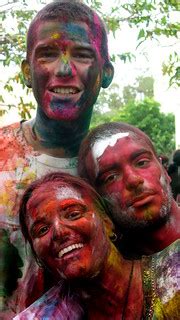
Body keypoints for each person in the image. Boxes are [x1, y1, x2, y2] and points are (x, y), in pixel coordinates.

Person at [0, 0, 114, 315]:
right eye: (48, 55)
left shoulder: (118, 170)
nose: (64, 70)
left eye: (82, 54)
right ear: (27, 71)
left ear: (105, 72)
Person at [13, 172, 179, 319]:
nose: (58, 232)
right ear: (38, 256)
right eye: (42, 230)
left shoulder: (174, 272)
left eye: (73, 214)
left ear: (107, 222)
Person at [78, 122, 180, 258]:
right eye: (111, 177)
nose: (133, 180)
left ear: (164, 171)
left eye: (142, 162)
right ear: (99, 202)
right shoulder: (117, 275)